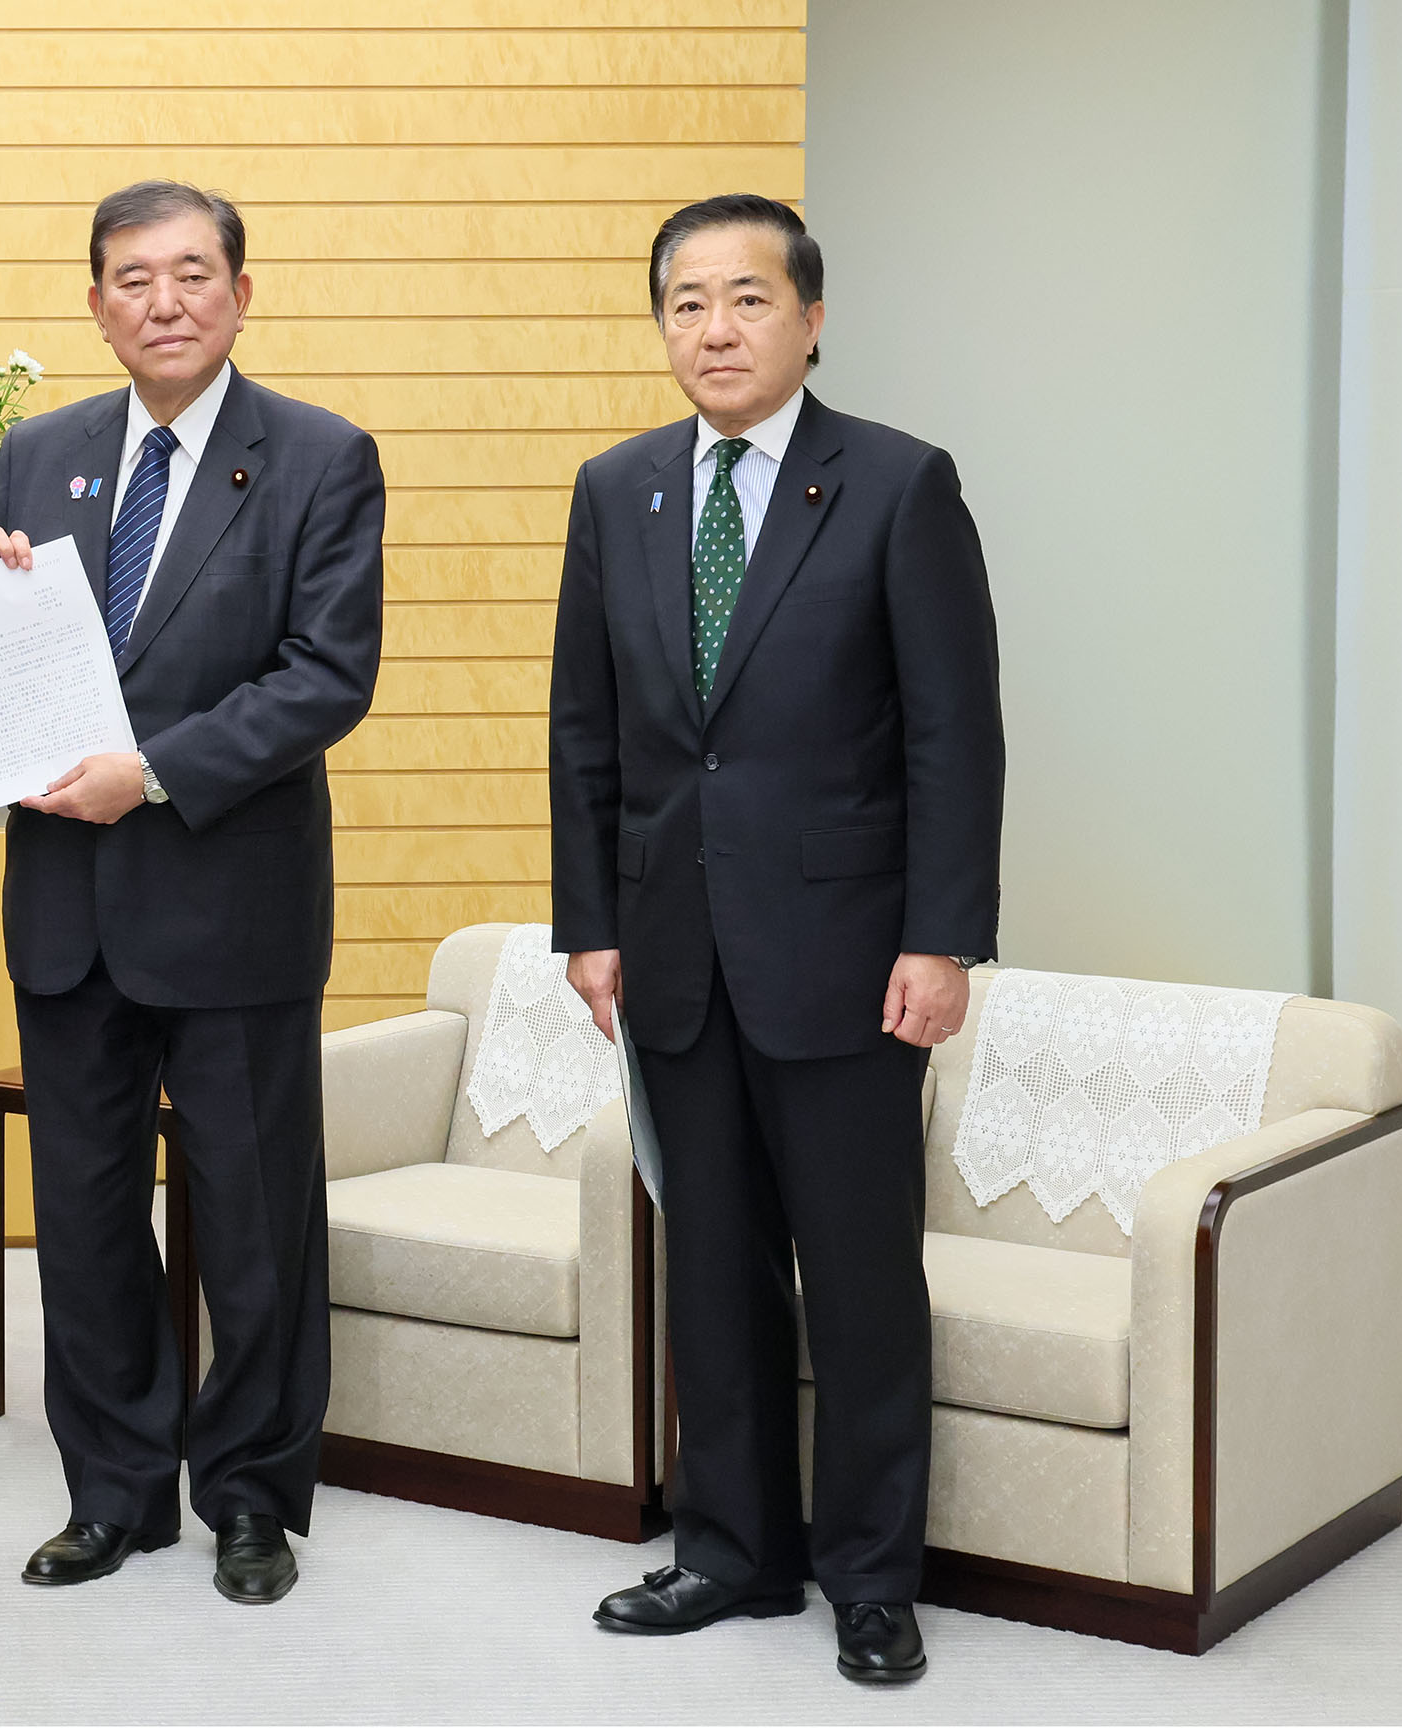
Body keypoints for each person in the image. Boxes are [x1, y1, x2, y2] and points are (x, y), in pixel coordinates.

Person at [549, 194, 1004, 1684]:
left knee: (863, 1281)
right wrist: (591, 928)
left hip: (849, 957)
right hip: (675, 953)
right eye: (687, 301)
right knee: (715, 1268)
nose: (716, 328)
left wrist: (943, 941)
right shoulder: (617, 492)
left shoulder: (896, 484)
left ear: (811, 317)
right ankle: (734, 1550)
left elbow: (955, 736)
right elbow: (588, 737)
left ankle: (871, 1576)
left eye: (747, 299)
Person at [0, 181, 385, 1605]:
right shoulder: (40, 454)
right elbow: (17, 661)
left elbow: (325, 678)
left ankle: (252, 1496)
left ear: (241, 292)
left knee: (253, 1222)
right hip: (69, 908)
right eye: (131, 280)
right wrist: (0, 602)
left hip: (232, 901)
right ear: (95, 305)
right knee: (81, 1218)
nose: (164, 301)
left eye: (192, 274)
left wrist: (149, 771)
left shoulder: (322, 457)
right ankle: (117, 1491)